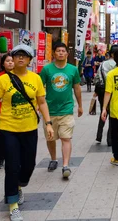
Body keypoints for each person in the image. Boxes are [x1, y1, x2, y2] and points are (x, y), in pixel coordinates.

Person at [0, 45, 54, 221]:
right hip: (8, 129)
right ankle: (13, 204)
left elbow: (41, 102)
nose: (20, 59)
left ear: (29, 60)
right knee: (11, 166)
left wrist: (48, 123)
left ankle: (19, 186)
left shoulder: (35, 79)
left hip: (29, 128)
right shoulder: (3, 80)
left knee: (28, 165)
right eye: (17, 55)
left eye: (24, 56)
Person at [39, 42, 83, 180]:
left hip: (67, 109)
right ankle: (53, 159)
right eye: (58, 51)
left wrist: (80, 105)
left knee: (66, 138)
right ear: (53, 53)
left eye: (63, 51)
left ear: (67, 54)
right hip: (50, 111)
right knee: (51, 138)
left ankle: (65, 166)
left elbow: (76, 87)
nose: (61, 53)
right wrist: (37, 106)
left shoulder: (73, 69)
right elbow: (39, 90)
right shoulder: (46, 70)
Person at [94, 45, 118, 145]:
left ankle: (99, 136)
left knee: (103, 112)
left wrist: (96, 91)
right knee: (112, 115)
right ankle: (110, 139)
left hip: (101, 91)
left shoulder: (103, 64)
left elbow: (97, 77)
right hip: (113, 91)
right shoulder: (117, 64)